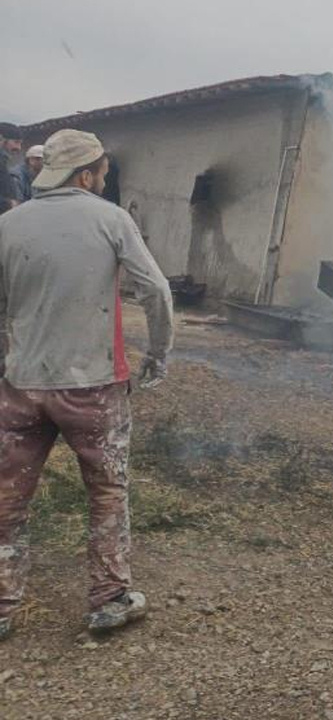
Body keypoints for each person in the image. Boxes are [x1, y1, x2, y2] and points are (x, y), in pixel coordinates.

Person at [0, 129, 174, 640]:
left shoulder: (8, 224)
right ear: (86, 174)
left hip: (21, 385)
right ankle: (109, 598)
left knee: (8, 499)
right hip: (93, 387)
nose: (104, 178)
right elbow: (156, 291)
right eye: (102, 171)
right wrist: (159, 354)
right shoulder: (110, 219)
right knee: (106, 492)